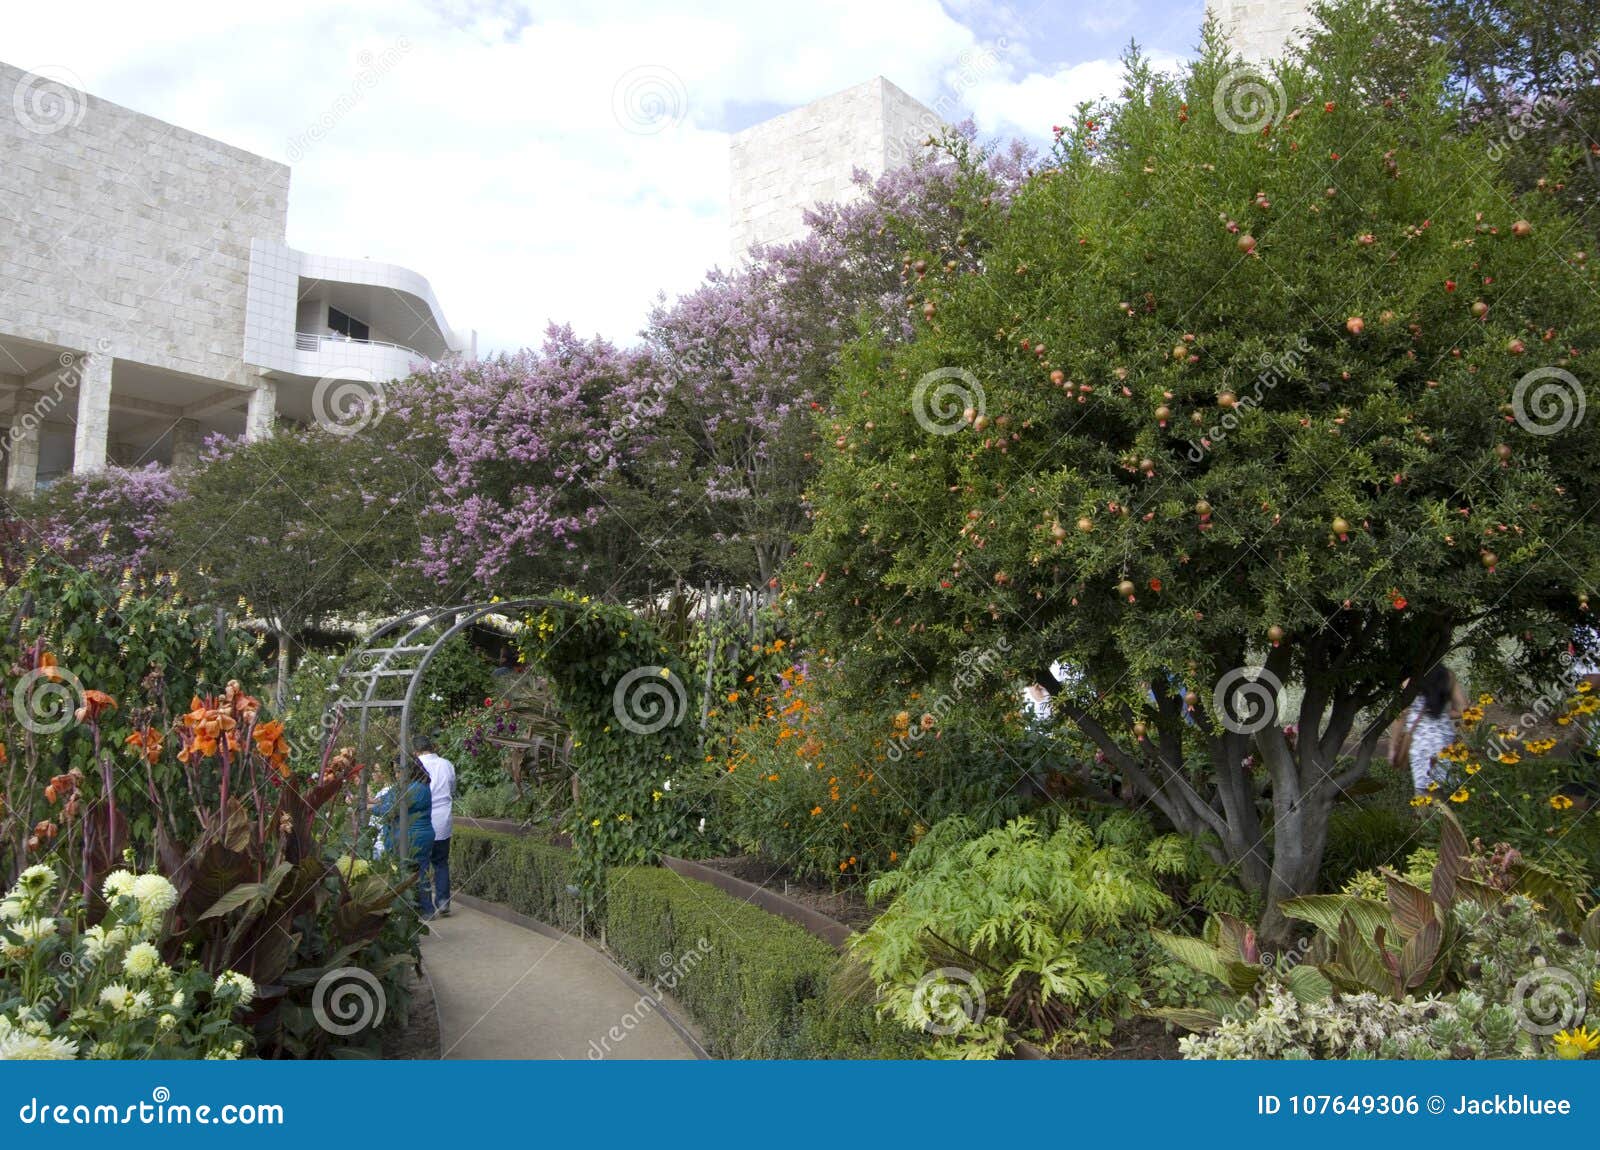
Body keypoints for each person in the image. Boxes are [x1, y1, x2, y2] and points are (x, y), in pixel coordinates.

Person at [373, 756, 435, 913]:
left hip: (414, 837)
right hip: (418, 835)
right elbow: (384, 800)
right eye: (395, 771)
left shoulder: (415, 789)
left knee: (413, 874)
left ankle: (422, 910)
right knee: (419, 872)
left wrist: (370, 808)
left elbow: (390, 809)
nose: (396, 775)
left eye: (399, 771)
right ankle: (424, 908)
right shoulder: (415, 786)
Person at [1394, 664, 1467, 794]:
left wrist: (1392, 747)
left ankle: (1429, 812)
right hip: (1444, 740)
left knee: (1424, 792)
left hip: (1420, 741)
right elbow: (1463, 710)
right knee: (1447, 787)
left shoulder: (1408, 680)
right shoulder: (1447, 675)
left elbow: (1400, 715)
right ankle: (1446, 811)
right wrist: (1442, 714)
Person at [416, 734, 457, 918]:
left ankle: (426, 908)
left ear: (416, 750)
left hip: (422, 820)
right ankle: (443, 901)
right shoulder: (446, 764)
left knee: (421, 865)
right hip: (443, 818)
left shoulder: (415, 765)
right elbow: (453, 787)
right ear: (432, 747)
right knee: (441, 862)